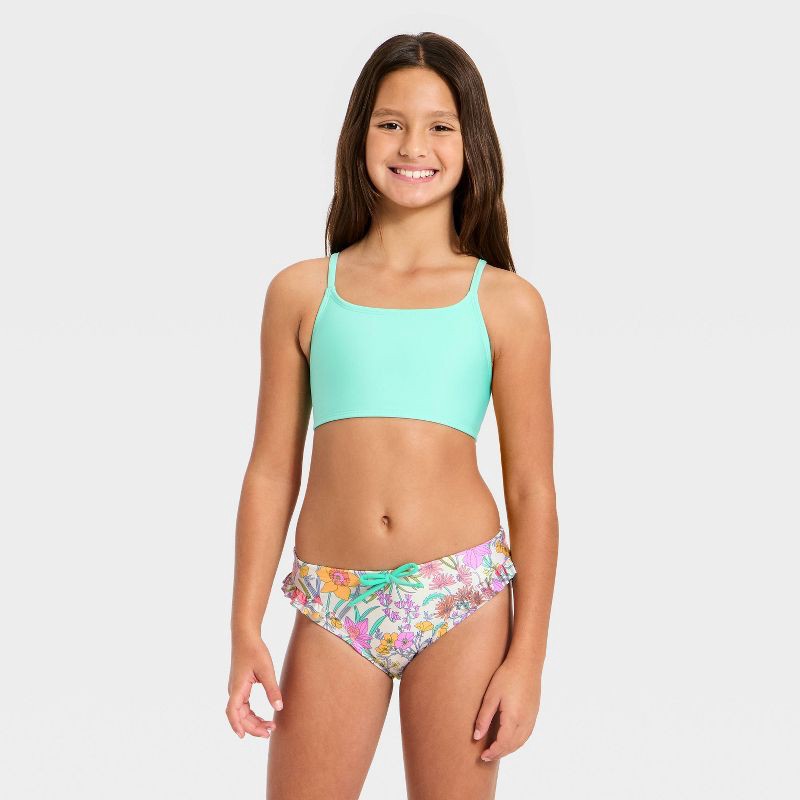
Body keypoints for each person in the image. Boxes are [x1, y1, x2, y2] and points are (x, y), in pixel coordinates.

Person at [226, 31, 558, 799]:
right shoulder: (302, 292)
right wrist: (245, 626)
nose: (414, 146)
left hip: (462, 596)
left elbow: (533, 490)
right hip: (334, 601)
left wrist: (528, 659)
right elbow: (271, 471)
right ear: (360, 137)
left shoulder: (506, 303)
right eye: (391, 123)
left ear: (472, 143)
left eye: (440, 125)